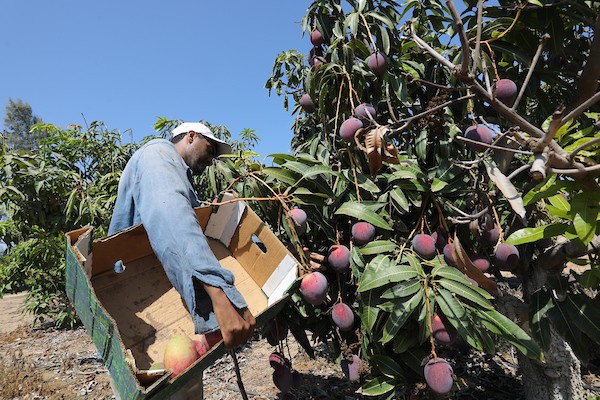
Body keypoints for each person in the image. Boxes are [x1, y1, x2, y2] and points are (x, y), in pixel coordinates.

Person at [108, 122, 256, 398]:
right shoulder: (158, 155)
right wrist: (220, 296)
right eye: (210, 150)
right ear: (190, 137)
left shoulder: (177, 175)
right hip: (140, 325)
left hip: (166, 323)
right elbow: (173, 220)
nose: (212, 160)